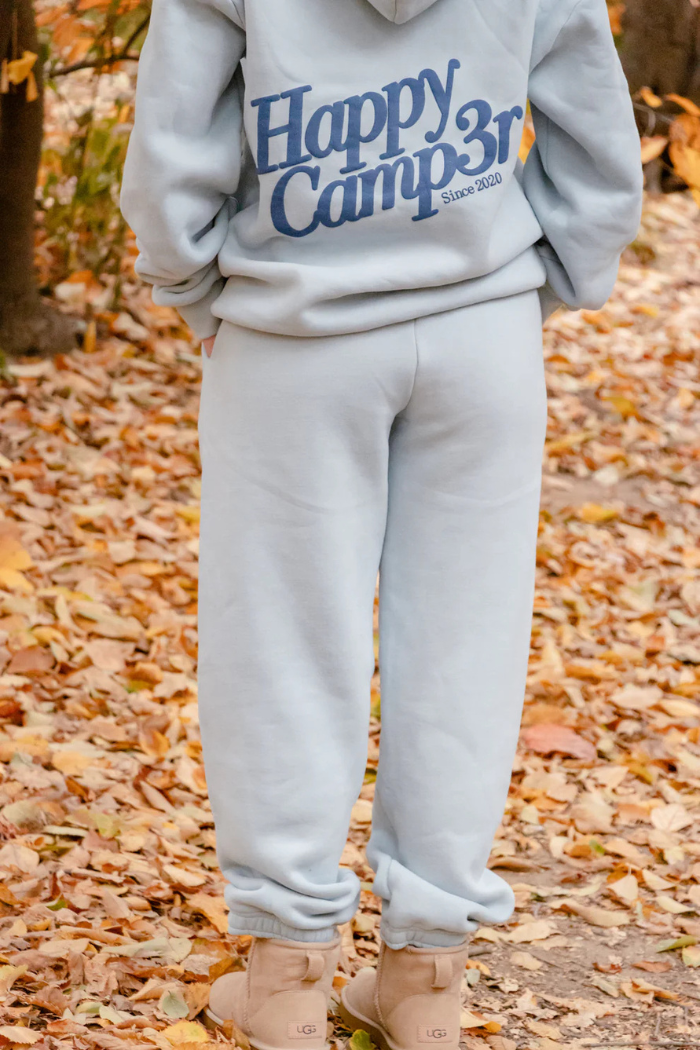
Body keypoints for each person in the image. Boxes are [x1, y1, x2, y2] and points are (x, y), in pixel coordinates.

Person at [121, 1, 642, 1047]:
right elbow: (595, 139)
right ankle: (425, 979)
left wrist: (192, 285)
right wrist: (533, 289)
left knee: (282, 641)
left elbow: (174, 139)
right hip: (480, 329)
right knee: (463, 646)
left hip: (292, 330)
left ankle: (287, 976)